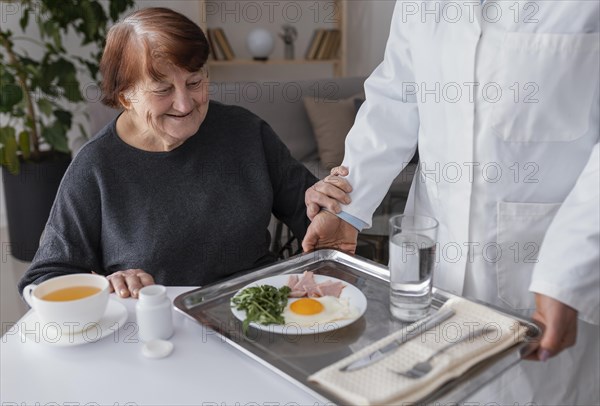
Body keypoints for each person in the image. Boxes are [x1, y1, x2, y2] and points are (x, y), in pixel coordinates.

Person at [302, 1, 599, 404]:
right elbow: (395, 97)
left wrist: (566, 276)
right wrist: (349, 208)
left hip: (547, 272)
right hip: (430, 271)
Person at [17, 7, 349, 298]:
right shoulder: (96, 166)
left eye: (195, 82)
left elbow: (311, 215)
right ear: (124, 96)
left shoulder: (245, 131)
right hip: (158, 329)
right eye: (163, 89)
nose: (184, 103)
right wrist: (108, 285)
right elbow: (43, 278)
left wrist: (327, 210)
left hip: (258, 310)